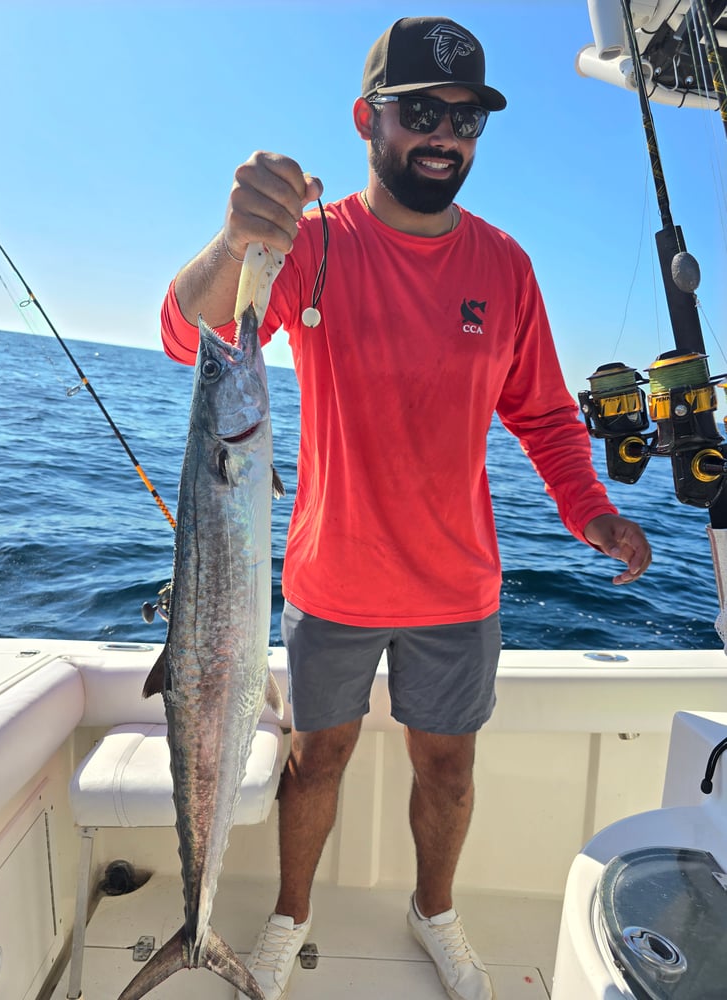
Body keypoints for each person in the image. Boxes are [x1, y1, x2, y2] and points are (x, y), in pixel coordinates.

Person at [160, 15, 652, 1000]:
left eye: (467, 118)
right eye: (421, 110)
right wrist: (235, 238)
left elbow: (546, 414)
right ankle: (289, 917)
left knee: (451, 770)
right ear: (367, 119)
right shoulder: (314, 244)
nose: (446, 134)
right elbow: (188, 334)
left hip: (456, 585)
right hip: (329, 578)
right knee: (317, 760)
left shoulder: (506, 267)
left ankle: (436, 912)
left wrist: (590, 510)